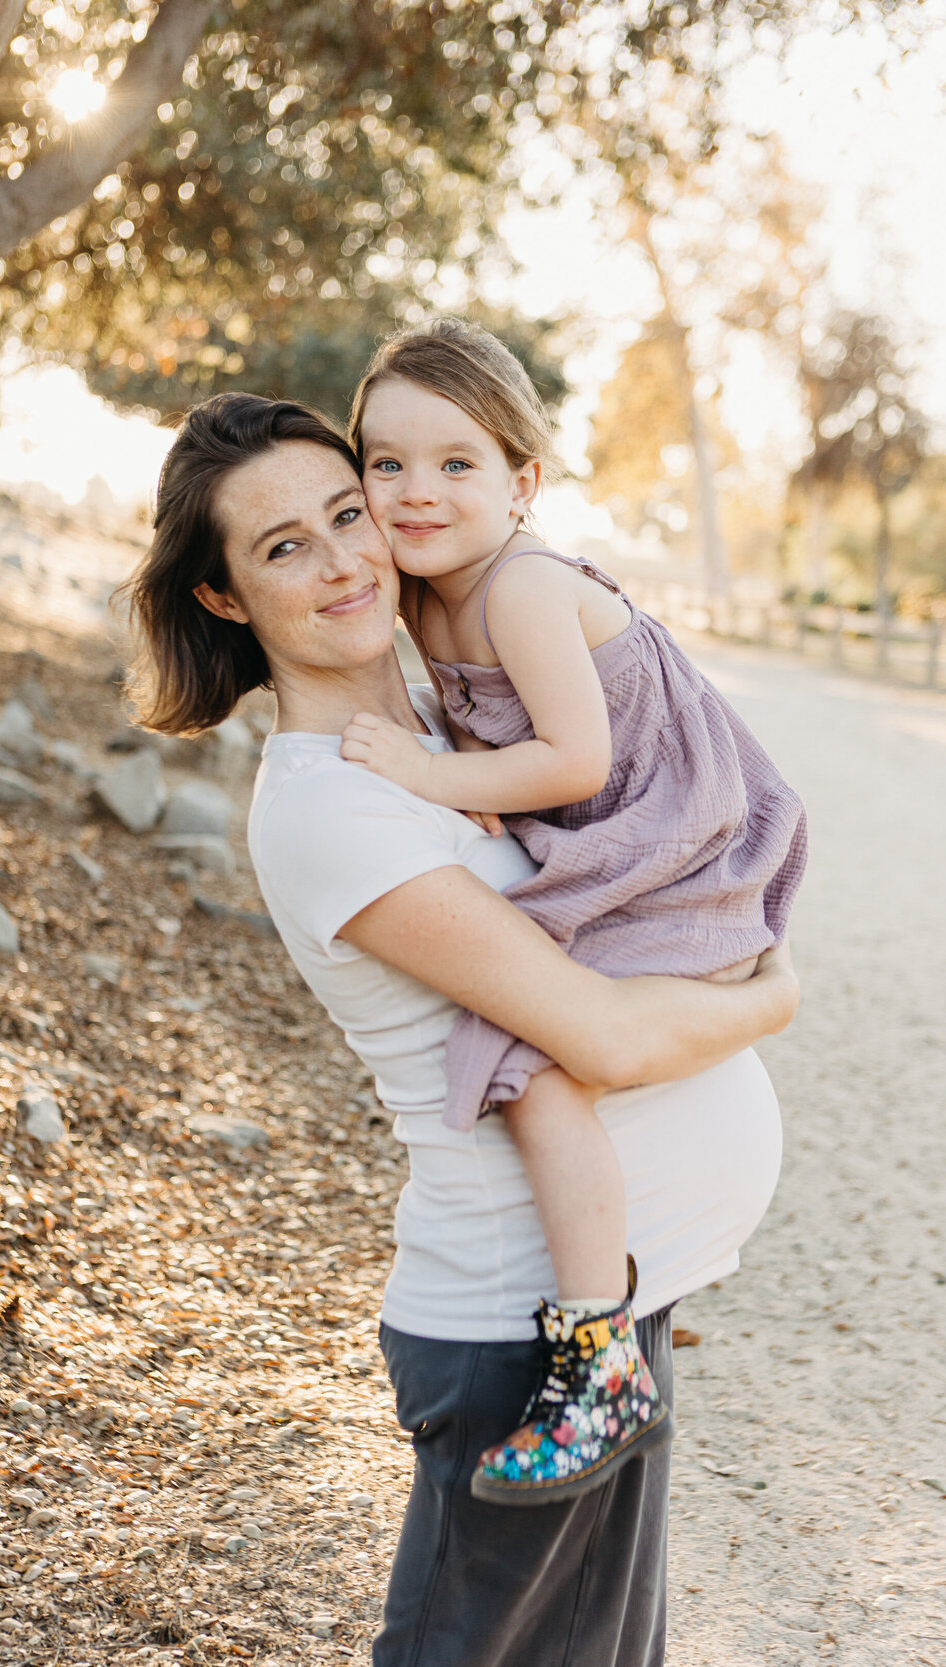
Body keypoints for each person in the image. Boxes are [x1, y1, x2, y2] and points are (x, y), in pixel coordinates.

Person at [126, 391, 798, 1667]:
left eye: (349, 515)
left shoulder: (446, 717)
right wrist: (770, 1000)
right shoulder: (327, 804)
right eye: (286, 548)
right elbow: (599, 1037)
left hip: (615, 1311)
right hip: (516, 1339)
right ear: (225, 593)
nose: (344, 562)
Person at [337, 318, 808, 1505]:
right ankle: (603, 1337)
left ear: (523, 482)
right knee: (523, 1043)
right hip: (614, 844)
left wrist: (435, 774)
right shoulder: (418, 597)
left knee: (537, 1060)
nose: (416, 490)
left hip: (673, 847)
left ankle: (599, 1364)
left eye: (456, 463)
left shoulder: (525, 589)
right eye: (385, 463)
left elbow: (571, 759)